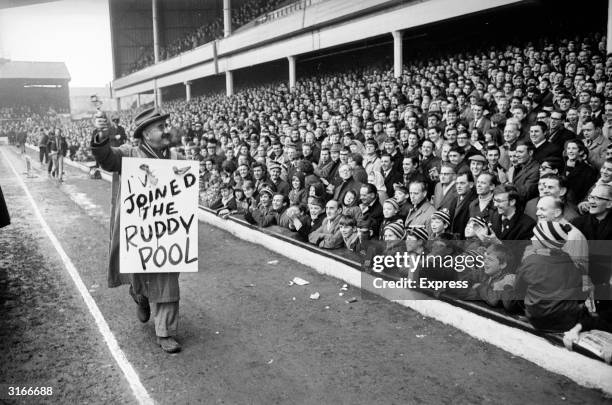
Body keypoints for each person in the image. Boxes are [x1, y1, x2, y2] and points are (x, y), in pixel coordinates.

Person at [90, 108, 183, 354]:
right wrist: (101, 135)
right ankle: (139, 294)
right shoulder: (130, 154)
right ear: (145, 134)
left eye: (166, 126)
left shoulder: (174, 157)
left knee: (168, 280)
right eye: (161, 127)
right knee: (140, 275)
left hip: (165, 232)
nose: (167, 131)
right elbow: (107, 158)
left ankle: (164, 332)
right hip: (137, 231)